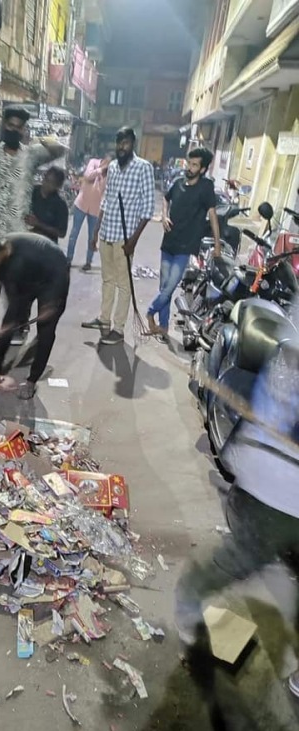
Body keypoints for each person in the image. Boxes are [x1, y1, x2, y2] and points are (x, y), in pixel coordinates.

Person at [175, 338, 299, 699]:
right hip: (279, 488)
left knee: (249, 557)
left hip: (276, 483)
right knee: (244, 556)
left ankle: (193, 602)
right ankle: (191, 604)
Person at [0, 106, 66, 344]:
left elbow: (60, 148)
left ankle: (19, 328)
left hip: (20, 233)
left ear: (24, 130)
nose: (13, 130)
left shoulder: (31, 155)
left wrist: (37, 136)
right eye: (10, 125)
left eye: (19, 127)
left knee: (18, 284)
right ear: (3, 125)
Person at [0, 233, 70, 399]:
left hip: (53, 275)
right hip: (28, 278)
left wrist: (53, 305)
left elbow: (58, 276)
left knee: (46, 328)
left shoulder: (24, 254)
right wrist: (8, 325)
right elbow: (15, 300)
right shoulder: (1, 265)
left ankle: (32, 381)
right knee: (8, 321)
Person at [82, 127, 154, 345]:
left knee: (123, 284)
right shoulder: (112, 167)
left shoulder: (144, 168)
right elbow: (106, 200)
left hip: (125, 237)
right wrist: (95, 232)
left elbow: (148, 209)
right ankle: (104, 319)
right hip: (106, 233)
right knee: (107, 279)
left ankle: (119, 328)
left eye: (126, 143)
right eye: (119, 142)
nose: (122, 147)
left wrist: (133, 241)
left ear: (133, 143)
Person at [146, 147, 221, 341]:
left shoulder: (205, 188)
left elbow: (212, 215)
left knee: (170, 286)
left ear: (203, 169)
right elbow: (165, 198)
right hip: (168, 242)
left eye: (195, 165)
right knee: (164, 288)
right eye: (189, 163)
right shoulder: (178, 183)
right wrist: (164, 216)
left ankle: (149, 312)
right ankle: (163, 327)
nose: (190, 167)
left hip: (185, 248)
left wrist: (217, 244)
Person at [66, 154, 110, 271]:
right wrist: (100, 170)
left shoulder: (110, 174)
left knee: (92, 236)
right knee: (74, 234)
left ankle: (88, 262)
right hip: (81, 204)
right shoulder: (93, 163)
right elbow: (87, 176)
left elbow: (107, 192)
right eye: (108, 164)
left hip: (95, 209)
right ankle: (68, 259)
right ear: (103, 161)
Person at [26, 167, 69, 244]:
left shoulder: (60, 205)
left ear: (58, 186)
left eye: (51, 182)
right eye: (46, 179)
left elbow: (62, 233)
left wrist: (38, 224)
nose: (46, 184)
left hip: (46, 245)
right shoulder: (32, 191)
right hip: (26, 239)